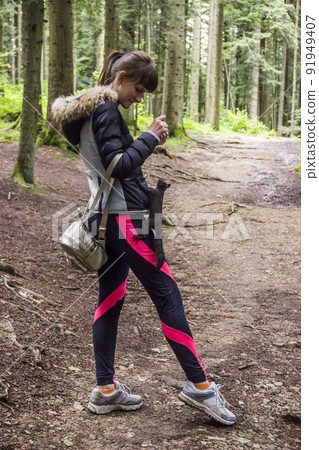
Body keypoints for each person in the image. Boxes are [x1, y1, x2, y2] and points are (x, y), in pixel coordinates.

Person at [52, 50, 236, 425]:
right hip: (130, 222)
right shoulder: (105, 110)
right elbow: (118, 165)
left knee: (112, 299)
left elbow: (110, 160)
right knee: (167, 296)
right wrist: (149, 137)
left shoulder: (89, 112)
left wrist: (142, 139)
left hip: (107, 221)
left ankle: (105, 390)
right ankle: (200, 387)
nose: (139, 97)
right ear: (119, 78)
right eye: (138, 89)